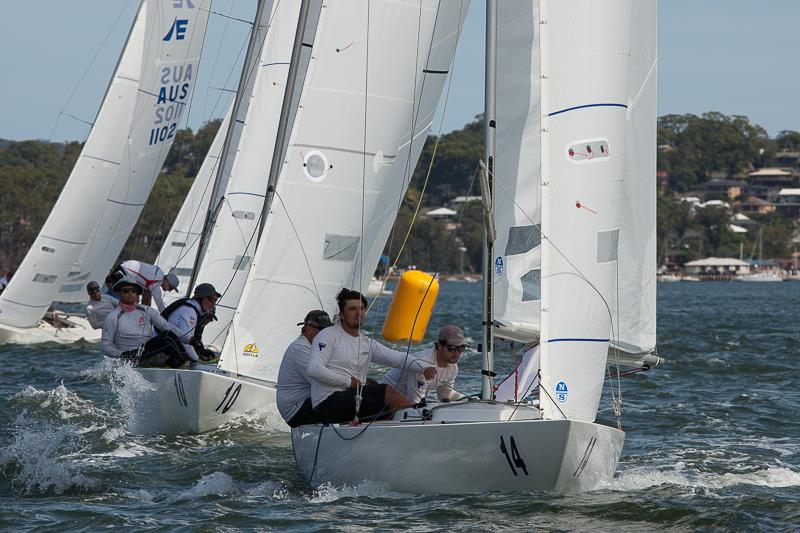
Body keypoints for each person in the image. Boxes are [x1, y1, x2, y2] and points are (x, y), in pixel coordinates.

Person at [307, 288, 436, 424]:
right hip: (326, 403)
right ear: (342, 315)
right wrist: (349, 382)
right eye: (352, 309)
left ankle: (409, 422)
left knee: (386, 401)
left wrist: (423, 367)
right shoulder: (328, 335)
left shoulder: (367, 343)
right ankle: (417, 420)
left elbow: (399, 358)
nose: (358, 313)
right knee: (386, 391)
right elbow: (313, 369)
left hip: (353, 401)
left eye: (362, 309)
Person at [100, 276, 191, 368]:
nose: (130, 293)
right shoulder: (112, 317)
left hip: (147, 353)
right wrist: (122, 355)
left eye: (133, 290)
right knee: (167, 337)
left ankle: (186, 365)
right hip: (130, 360)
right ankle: (187, 366)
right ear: (119, 293)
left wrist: (190, 340)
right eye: (126, 291)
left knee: (168, 335)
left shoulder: (147, 311)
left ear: (137, 293)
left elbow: (167, 326)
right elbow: (105, 346)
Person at [380, 325, 467, 405]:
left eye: (461, 348)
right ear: (440, 346)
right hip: (384, 398)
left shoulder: (453, 368)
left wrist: (468, 399)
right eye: (452, 348)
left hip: (409, 399)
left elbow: (444, 396)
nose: (457, 353)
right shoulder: (423, 363)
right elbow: (415, 402)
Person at [276, 310, 334, 427]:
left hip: (305, 403)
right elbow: (321, 382)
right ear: (308, 329)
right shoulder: (300, 349)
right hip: (295, 411)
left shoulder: (315, 347)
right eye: (322, 330)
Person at [162, 282, 221, 363]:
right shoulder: (189, 311)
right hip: (160, 350)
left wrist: (201, 352)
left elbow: (191, 343)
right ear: (201, 297)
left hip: (168, 349)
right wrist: (199, 361)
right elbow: (187, 343)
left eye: (216, 300)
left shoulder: (193, 310)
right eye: (212, 299)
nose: (213, 303)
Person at [110, 260, 179, 312]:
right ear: (167, 281)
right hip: (121, 273)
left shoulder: (159, 272)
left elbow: (146, 294)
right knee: (133, 300)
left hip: (122, 267)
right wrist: (168, 318)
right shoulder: (156, 283)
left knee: (146, 293)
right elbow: (160, 306)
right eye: (171, 287)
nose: (170, 290)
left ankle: (144, 314)